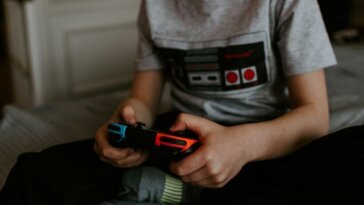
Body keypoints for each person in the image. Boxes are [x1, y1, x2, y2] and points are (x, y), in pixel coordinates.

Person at [2, 0, 354, 204]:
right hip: (179, 138)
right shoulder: (155, 5)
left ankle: (177, 191)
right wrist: (125, 125)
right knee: (33, 172)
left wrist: (241, 147)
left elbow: (314, 117)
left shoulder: (290, 2)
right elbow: (142, 98)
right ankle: (183, 189)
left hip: (264, 143)